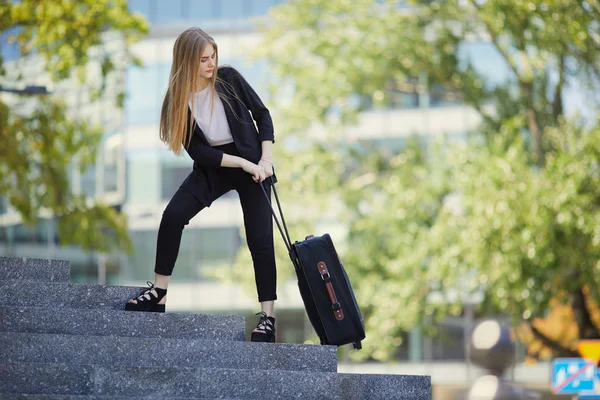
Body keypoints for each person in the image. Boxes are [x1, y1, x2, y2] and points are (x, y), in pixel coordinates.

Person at [124, 27, 278, 343]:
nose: (211, 64)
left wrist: (264, 161)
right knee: (172, 216)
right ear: (187, 62)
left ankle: (268, 318)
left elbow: (262, 115)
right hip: (216, 166)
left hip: (253, 163)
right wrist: (242, 163)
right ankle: (160, 293)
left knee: (260, 239)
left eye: (212, 57)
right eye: (203, 59)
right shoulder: (176, 101)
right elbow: (201, 153)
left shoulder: (230, 79)